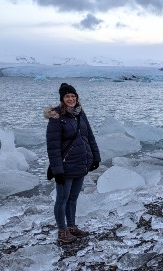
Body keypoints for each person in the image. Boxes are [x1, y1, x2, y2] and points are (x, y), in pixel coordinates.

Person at [44, 83, 101, 244]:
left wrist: (95, 157)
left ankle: (72, 227)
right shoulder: (57, 118)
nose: (71, 99)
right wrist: (57, 170)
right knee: (62, 199)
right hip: (65, 166)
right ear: (62, 99)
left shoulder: (80, 113)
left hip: (80, 163)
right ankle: (62, 231)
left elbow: (89, 136)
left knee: (73, 198)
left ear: (77, 98)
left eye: (73, 96)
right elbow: (53, 147)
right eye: (67, 96)